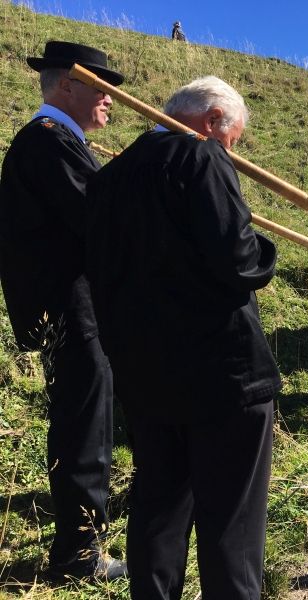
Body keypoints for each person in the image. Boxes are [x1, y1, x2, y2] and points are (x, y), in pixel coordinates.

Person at [85, 76, 281, 599]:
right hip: (223, 374)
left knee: (157, 508)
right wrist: (265, 250)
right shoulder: (202, 157)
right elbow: (238, 259)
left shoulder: (109, 176)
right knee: (232, 525)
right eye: (232, 138)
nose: (231, 150)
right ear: (213, 120)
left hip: (145, 374)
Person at [0, 41, 126, 581]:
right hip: (69, 308)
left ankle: (88, 530)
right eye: (102, 89)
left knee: (90, 418)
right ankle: (78, 554)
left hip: (74, 304)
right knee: (81, 424)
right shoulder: (48, 142)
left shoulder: (56, 141)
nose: (111, 102)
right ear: (69, 84)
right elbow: (98, 220)